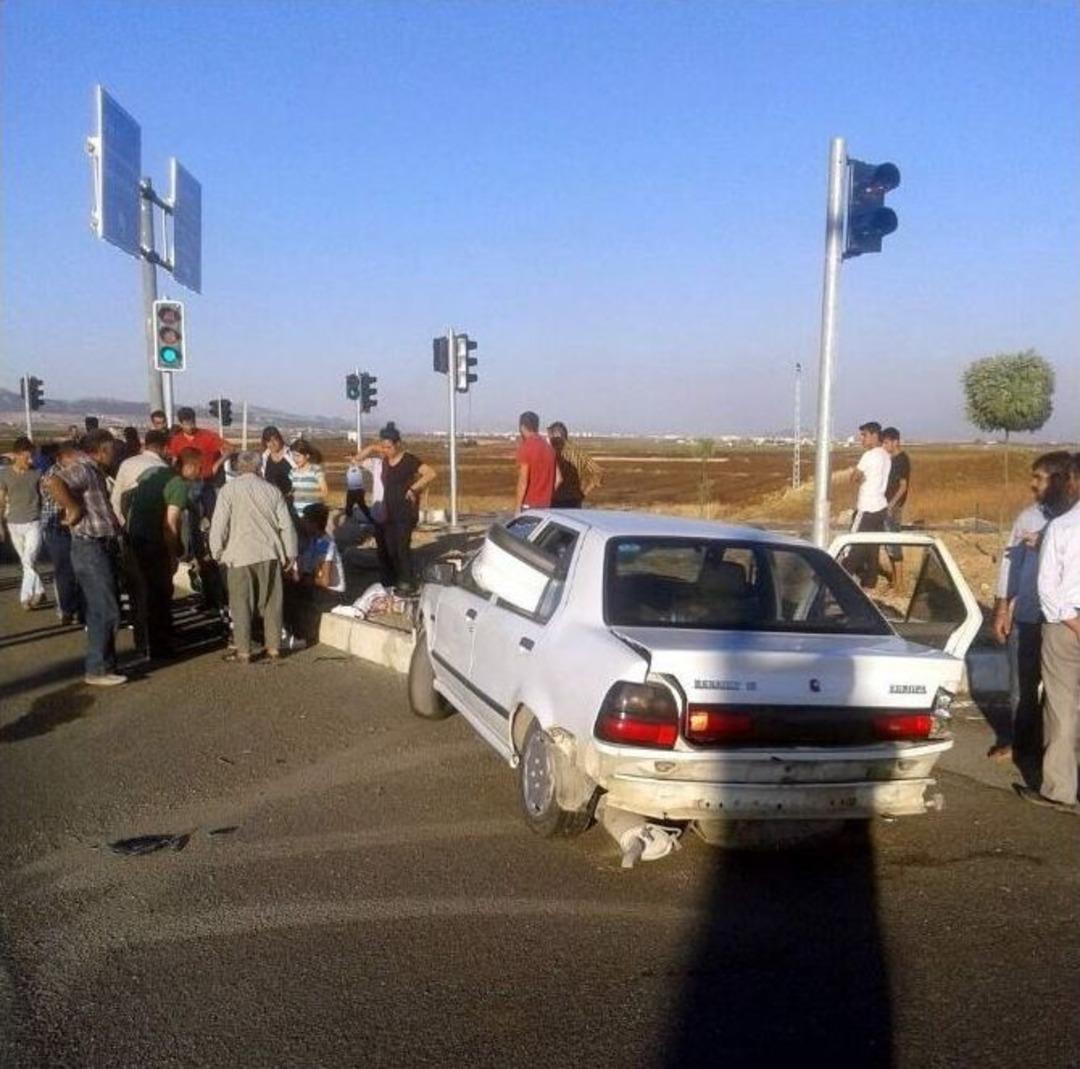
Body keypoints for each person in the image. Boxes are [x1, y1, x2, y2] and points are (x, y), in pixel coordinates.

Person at [991, 451, 1074, 773]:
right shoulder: (1027, 518)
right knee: (1022, 688)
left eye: (1039, 478)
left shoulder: (1072, 522)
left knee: (1059, 694)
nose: (1032, 485)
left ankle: (1053, 755)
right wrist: (1001, 609)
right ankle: (1021, 745)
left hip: (1063, 620)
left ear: (1060, 480)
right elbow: (1010, 565)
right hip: (1026, 615)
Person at [44, 430, 126, 686]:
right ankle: (98, 668)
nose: (115, 453)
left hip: (99, 545)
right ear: (100, 450)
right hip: (90, 547)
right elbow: (54, 482)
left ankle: (104, 665)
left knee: (102, 607)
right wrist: (73, 507)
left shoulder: (96, 472)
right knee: (105, 608)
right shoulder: (84, 468)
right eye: (111, 448)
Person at [1023, 453, 1080, 812]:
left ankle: (1060, 789)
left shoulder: (1062, 527)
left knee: (1061, 706)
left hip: (1064, 627)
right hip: (1068, 620)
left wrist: (1072, 620)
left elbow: (1048, 587)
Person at [209, 450, 298, 663]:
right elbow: (286, 525)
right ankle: (274, 648)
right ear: (260, 467)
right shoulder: (272, 491)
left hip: (239, 554)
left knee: (240, 604)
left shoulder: (228, 491)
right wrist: (291, 553)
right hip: (270, 553)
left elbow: (219, 524)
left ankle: (244, 651)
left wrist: (216, 551)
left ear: (238, 467)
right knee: (272, 603)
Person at [125, 447, 202, 660]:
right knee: (159, 595)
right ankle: (160, 646)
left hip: (134, 539)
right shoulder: (177, 485)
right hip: (154, 543)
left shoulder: (152, 473)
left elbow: (127, 498)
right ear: (189, 466)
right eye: (199, 468)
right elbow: (170, 525)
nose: (200, 473)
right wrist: (173, 555)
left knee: (141, 594)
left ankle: (143, 644)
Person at [355, 422, 436, 593]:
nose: (386, 451)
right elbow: (357, 460)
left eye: (389, 447)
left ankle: (407, 582)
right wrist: (371, 448)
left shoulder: (408, 460)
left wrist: (414, 488)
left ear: (398, 444)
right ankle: (391, 581)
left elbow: (430, 473)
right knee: (389, 549)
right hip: (386, 512)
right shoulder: (383, 462)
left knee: (401, 548)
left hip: (404, 512)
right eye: (383, 447)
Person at [284, 502, 347, 647]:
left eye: (306, 520)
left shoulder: (325, 544)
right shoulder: (312, 541)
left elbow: (324, 580)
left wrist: (302, 580)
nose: (303, 523)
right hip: (316, 586)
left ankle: (303, 636)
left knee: (298, 596)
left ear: (314, 523)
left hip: (331, 593)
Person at [0, 436, 46, 609]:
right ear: (17, 455)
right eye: (27, 456)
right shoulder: (4, 474)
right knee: (27, 562)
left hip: (34, 521)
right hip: (13, 523)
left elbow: (45, 496)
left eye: (31, 456)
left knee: (28, 559)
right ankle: (39, 590)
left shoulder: (37, 473)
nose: (31, 460)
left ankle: (25, 597)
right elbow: (1, 500)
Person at [40, 441, 83, 625]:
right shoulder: (53, 475)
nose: (76, 461)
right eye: (72, 457)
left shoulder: (71, 472)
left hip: (70, 526)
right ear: (61, 458)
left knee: (77, 569)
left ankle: (77, 607)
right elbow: (61, 500)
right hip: (57, 528)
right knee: (64, 569)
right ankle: (67, 609)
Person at [847, 421, 890, 589]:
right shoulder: (885, 455)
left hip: (867, 507)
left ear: (874, 435)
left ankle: (841, 576)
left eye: (864, 435)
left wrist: (859, 477)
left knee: (854, 545)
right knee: (872, 547)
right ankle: (870, 581)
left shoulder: (869, 455)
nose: (861, 439)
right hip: (880, 506)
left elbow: (854, 478)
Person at [111, 429, 170, 523]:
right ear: (165, 448)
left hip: (127, 521)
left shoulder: (127, 463)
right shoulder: (163, 469)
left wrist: (121, 524)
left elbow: (116, 497)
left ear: (145, 445)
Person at [881, 427, 910, 590]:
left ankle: (900, 583)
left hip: (893, 507)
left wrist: (891, 505)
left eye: (886, 442)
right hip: (887, 505)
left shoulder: (901, 460)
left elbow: (903, 486)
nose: (884, 446)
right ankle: (894, 579)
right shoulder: (890, 459)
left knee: (894, 543)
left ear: (895, 442)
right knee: (889, 544)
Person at [548, 421, 602, 508]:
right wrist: (584, 492)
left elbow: (598, 472)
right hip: (575, 500)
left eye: (550, 436)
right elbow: (598, 472)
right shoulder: (579, 452)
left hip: (556, 499)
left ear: (556, 435)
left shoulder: (553, 452)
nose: (550, 440)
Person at [515, 411, 558, 512]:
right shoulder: (549, 448)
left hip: (529, 505)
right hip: (546, 505)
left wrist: (517, 508)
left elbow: (523, 481)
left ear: (522, 427)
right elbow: (559, 479)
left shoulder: (526, 447)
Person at [288, 439, 328, 511]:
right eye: (293, 456)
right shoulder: (292, 472)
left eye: (298, 456)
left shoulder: (316, 470)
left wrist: (304, 495)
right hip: (296, 515)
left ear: (307, 456)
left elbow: (324, 492)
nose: (295, 459)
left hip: (312, 516)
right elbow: (292, 491)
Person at [261, 426, 295, 502]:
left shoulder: (291, 454)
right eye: (268, 441)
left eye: (275, 440)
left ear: (280, 439)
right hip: (271, 500)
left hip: (291, 500)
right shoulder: (265, 457)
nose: (272, 444)